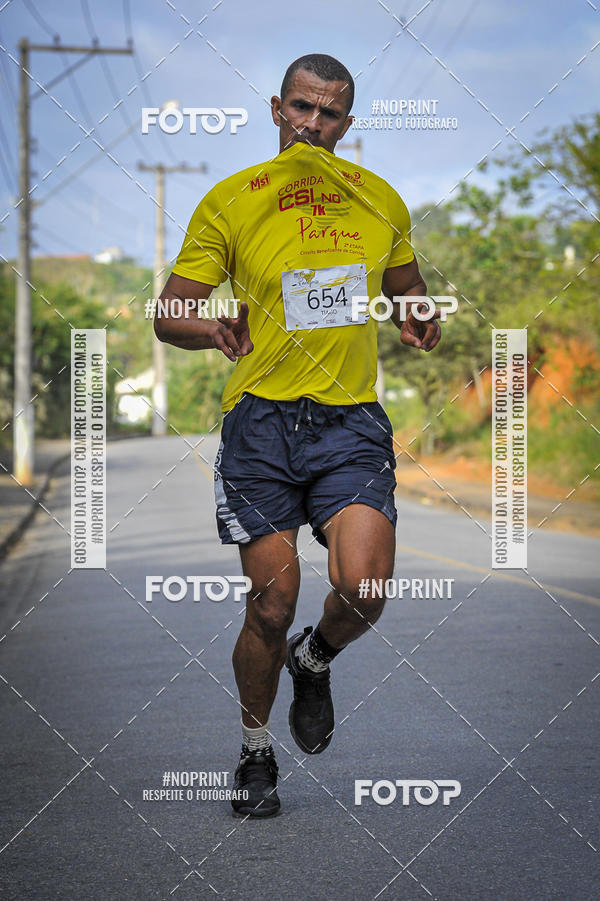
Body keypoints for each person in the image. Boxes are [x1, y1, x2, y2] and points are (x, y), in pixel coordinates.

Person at [155, 53, 441, 818]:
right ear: (277, 108)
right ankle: (255, 751)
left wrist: (417, 310)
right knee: (272, 605)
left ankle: (315, 660)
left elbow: (406, 284)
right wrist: (208, 325)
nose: (315, 124)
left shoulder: (380, 200)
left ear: (348, 122)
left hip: (349, 421)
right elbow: (167, 311)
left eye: (332, 113)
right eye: (303, 108)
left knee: (367, 587)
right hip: (262, 425)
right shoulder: (232, 199)